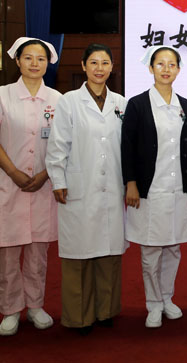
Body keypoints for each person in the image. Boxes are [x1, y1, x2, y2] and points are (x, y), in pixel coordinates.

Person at [0, 36, 62, 336]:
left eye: (41, 58)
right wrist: (13, 172)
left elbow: (62, 144)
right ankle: (10, 310)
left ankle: (36, 306)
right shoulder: (0, 96)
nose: (34, 63)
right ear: (17, 61)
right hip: (6, 182)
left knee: (39, 251)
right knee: (8, 251)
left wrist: (45, 174)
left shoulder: (57, 99)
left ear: (48, 64)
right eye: (28, 58)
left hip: (43, 183)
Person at [45, 43, 128, 334]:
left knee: (109, 252)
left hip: (112, 186)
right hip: (79, 186)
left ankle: (106, 311)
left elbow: (126, 147)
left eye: (105, 63)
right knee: (79, 254)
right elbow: (58, 145)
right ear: (83, 66)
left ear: (112, 67)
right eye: (93, 62)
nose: (99, 68)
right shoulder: (69, 101)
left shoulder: (121, 103)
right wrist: (58, 180)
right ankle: (79, 316)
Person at [121, 46, 187, 328]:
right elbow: (127, 146)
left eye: (171, 64)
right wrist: (131, 183)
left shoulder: (186, 106)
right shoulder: (137, 104)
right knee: (151, 249)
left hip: (178, 188)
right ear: (150, 68)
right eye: (160, 64)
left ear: (178, 69)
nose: (166, 69)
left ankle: (167, 298)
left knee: (174, 247)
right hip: (149, 189)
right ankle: (153, 303)